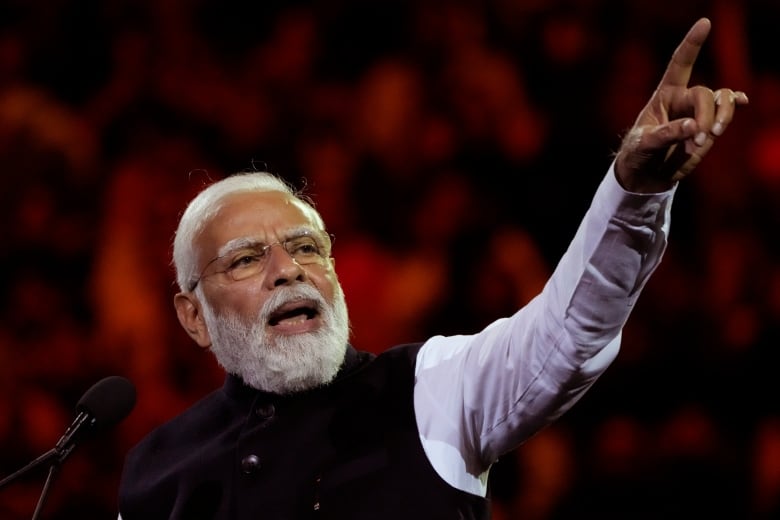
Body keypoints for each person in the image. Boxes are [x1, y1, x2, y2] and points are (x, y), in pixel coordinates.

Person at [117, 18, 748, 519]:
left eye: (308, 247)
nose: (289, 270)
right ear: (193, 316)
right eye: (248, 259)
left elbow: (569, 333)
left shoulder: (430, 391)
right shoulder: (155, 472)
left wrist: (632, 195)